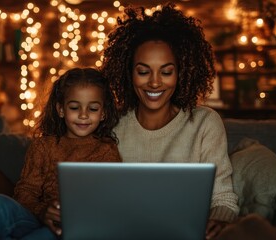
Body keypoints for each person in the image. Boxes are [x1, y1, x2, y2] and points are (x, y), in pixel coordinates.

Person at [99, 3, 239, 239]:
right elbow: (96, 196)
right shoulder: (111, 124)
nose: (155, 83)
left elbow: (223, 198)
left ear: (181, 73)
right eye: (143, 71)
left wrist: (218, 220)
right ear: (128, 73)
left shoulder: (205, 123)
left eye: (166, 71)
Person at [0, 67, 121, 240]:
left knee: (51, 233)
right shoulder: (43, 146)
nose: (83, 115)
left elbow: (110, 202)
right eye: (74, 107)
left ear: (103, 113)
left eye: (93, 109)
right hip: (34, 218)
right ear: (61, 110)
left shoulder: (106, 151)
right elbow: (25, 193)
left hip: (73, 227)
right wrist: (43, 211)